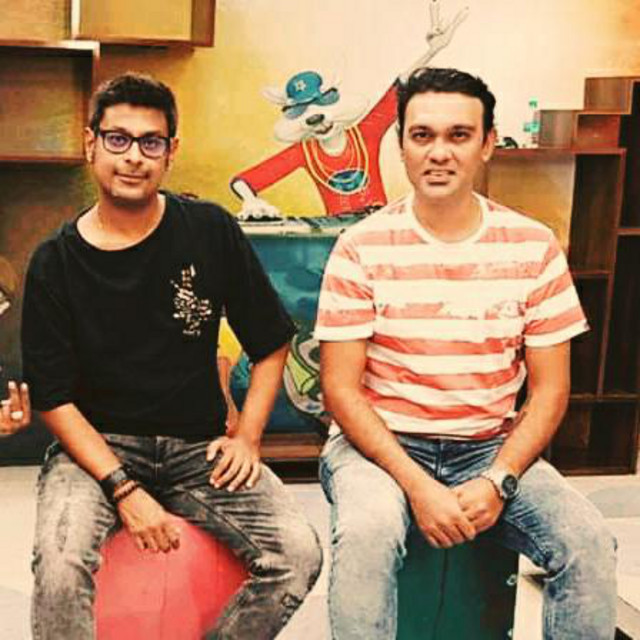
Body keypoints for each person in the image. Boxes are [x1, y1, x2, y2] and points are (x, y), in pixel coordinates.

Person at [314, 67, 617, 640]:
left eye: (458, 135)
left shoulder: (533, 246)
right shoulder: (360, 247)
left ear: (487, 144)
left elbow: (551, 390)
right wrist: (416, 485)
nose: (439, 153)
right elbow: (341, 390)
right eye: (422, 135)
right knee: (368, 534)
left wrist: (499, 479)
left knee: (589, 542)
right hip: (379, 448)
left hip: (487, 448)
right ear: (401, 145)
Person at [22, 72, 322, 640]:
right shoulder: (53, 262)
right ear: (91, 143)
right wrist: (123, 488)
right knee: (60, 564)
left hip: (197, 448)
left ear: (171, 151)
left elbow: (270, 341)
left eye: (150, 142)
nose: (133, 156)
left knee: (298, 553)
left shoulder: (209, 230)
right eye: (117, 139)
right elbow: (54, 399)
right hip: (96, 452)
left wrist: (248, 437)